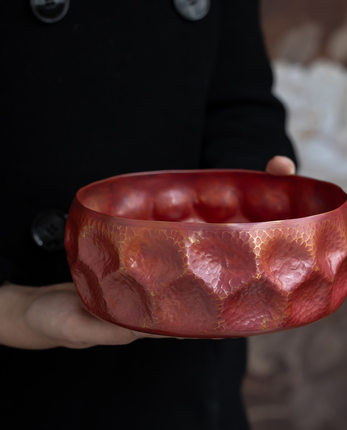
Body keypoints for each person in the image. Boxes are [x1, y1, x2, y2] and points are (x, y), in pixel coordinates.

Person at [0, 0, 296, 428]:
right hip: (19, 331)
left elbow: (239, 103)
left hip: (187, 351)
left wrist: (245, 198)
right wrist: (11, 311)